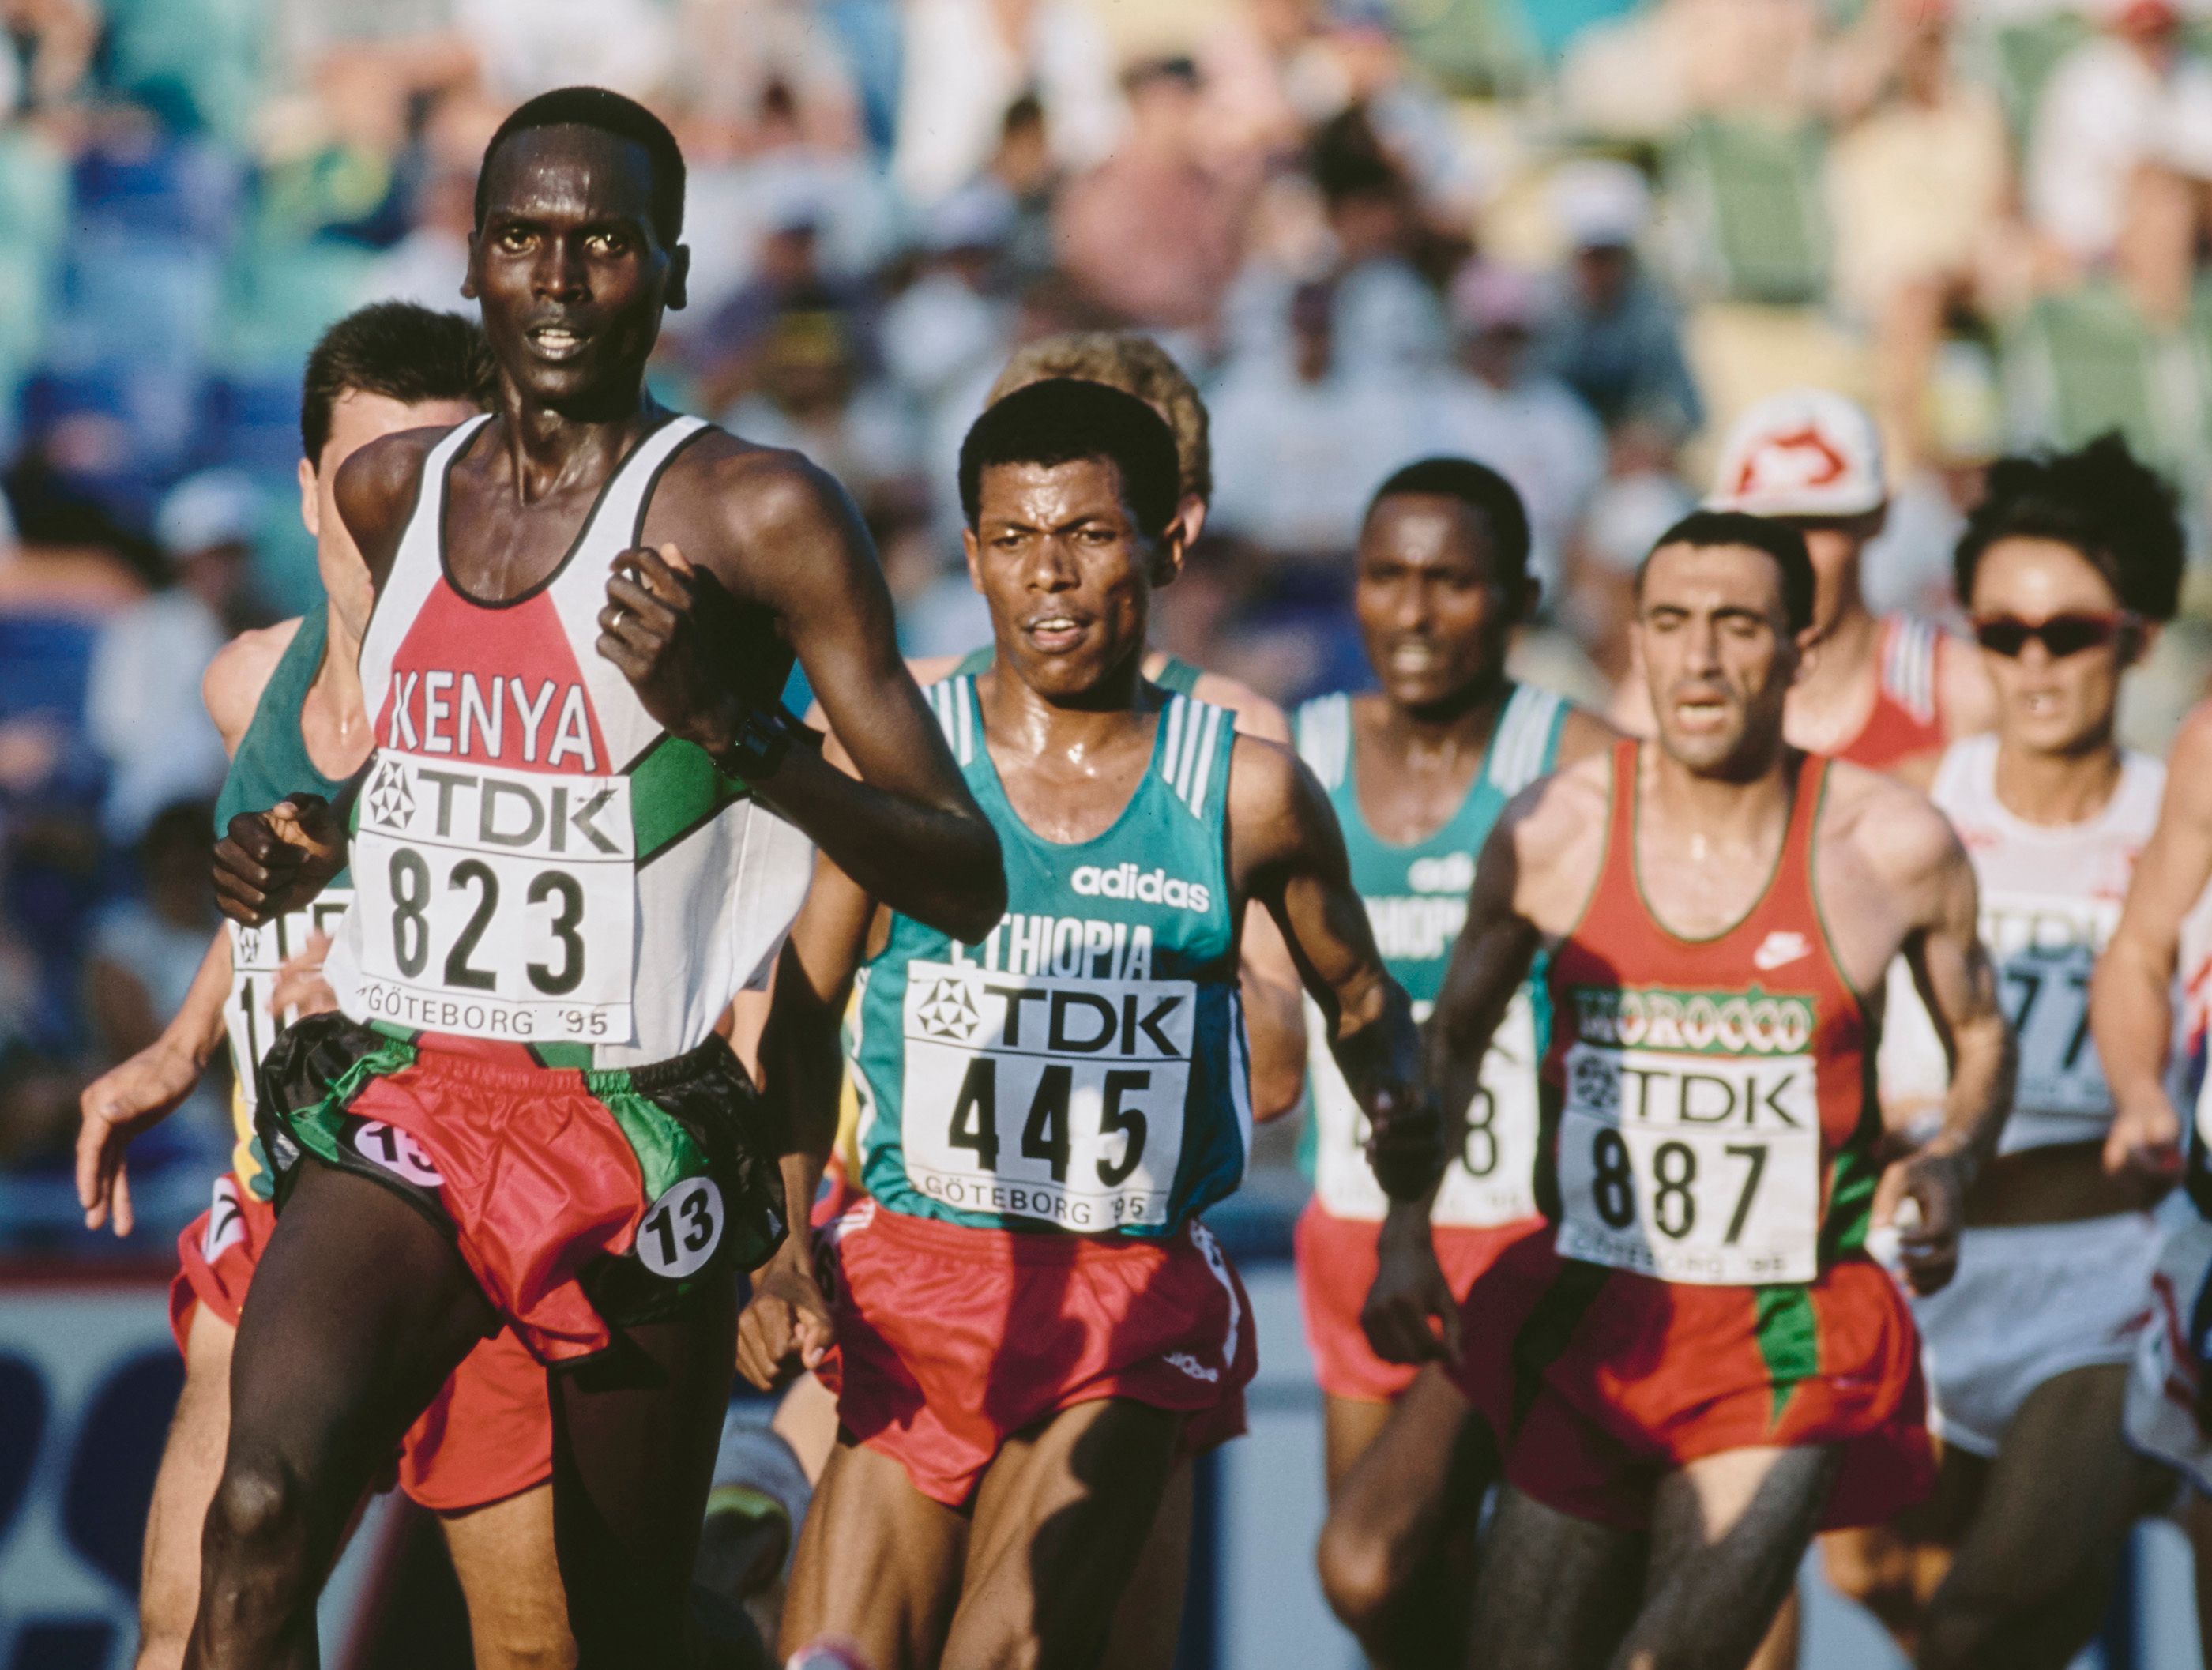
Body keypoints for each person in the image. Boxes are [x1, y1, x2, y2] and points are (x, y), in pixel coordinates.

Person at [199, 85, 1005, 1666]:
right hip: (414, 1086)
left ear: (673, 272)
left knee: (619, 1625)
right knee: (255, 1513)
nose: (560, 280)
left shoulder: (757, 508)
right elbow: (440, 772)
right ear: (473, 263)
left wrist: (742, 733)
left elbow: (964, 869)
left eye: (603, 244)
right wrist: (323, 835)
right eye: (523, 239)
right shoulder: (394, 493)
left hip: (631, 1119)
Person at [752, 378, 1432, 1670]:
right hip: (911, 1273)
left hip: (1125, 1296)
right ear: (971, 554)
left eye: (1089, 535)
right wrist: (782, 1244)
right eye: (1014, 540)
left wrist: (1405, 1148)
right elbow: (799, 1011)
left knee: (1005, 1649)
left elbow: (1359, 1002)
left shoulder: (1248, 794)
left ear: (1167, 543)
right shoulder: (901, 764)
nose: (1049, 578)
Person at [1366, 510, 2014, 1670]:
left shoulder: (1892, 846)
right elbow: (1452, 1038)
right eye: (1671, 622)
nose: (1701, 659)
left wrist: (1953, 1159)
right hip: (1593, 1322)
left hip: (1789, 1326)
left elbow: (1980, 1035)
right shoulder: (1553, 831)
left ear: (1798, 651)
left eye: (1735, 625)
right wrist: (1406, 1230)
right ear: (1637, 639)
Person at [72, 303, 584, 1670]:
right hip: (282, 1202)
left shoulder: (526, 698)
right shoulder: (248, 683)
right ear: (308, 485)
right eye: (367, 473)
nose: (398, 508)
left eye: (436, 471)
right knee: (193, 1626)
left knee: (554, 1646)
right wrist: (181, 1046)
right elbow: (258, 896)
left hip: (480, 1219)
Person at [1819, 435, 2184, 1667]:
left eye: (2069, 631)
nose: (2033, 662)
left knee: (1990, 1623)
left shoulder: (2173, 827)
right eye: (2002, 631)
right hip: (1924, 1272)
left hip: (2108, 1275)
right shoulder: (1911, 806)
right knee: (1891, 1583)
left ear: (2136, 633)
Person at [1296, 456, 1616, 1669]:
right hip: (1352, 1224)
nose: (1415, 612)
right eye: (1387, 576)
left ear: (1518, 598)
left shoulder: (1579, 757)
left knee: (1372, 1554)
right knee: (1394, 1613)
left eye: (1451, 581)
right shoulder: (1298, 760)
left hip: (1526, 1239)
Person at [1617, 387, 1996, 773]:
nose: (1789, 553)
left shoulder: (1959, 691)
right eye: (1764, 530)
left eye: (1815, 524)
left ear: (1876, 519)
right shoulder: (1667, 696)